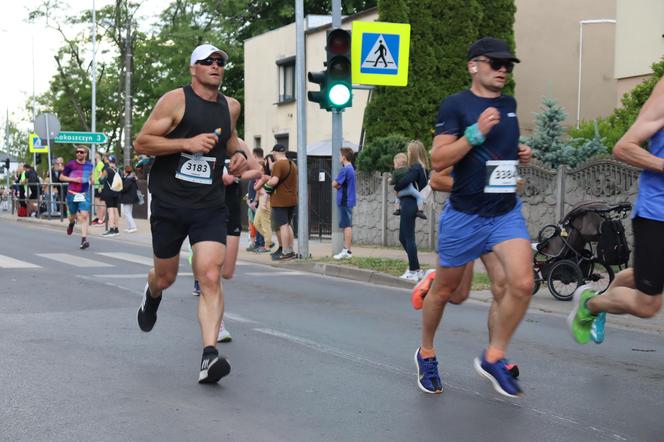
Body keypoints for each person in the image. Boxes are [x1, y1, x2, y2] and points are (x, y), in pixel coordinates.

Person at [133, 43, 257, 384]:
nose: (216, 66)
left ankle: (208, 356)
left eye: (220, 62)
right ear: (194, 68)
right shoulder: (176, 101)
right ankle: (152, 293)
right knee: (166, 277)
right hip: (170, 204)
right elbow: (142, 142)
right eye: (208, 61)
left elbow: (230, 141)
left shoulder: (230, 106)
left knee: (211, 277)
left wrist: (241, 156)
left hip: (208, 204)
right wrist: (184, 144)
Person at [417, 37, 534, 397]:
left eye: (508, 66)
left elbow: (499, 153)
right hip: (465, 216)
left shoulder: (510, 105)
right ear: (474, 66)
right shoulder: (456, 106)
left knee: (521, 284)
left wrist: (519, 153)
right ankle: (426, 352)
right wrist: (475, 132)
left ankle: (493, 356)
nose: (503, 70)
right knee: (450, 295)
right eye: (495, 64)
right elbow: (438, 161)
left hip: (503, 213)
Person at [568, 76, 664, 345]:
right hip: (657, 213)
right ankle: (593, 304)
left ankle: (608, 298)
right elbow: (624, 147)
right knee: (648, 304)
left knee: (645, 274)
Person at [394, 140, 430, 281]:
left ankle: (414, 270)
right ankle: (416, 268)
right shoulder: (423, 168)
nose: (407, 153)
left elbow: (403, 182)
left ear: (413, 152)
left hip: (409, 203)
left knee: (407, 237)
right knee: (403, 237)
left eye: (409, 151)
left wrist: (396, 187)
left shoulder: (415, 168)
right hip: (412, 203)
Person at [264, 144, 298, 261]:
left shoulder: (278, 164)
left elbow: (274, 181)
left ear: (275, 152)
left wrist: (266, 185)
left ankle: (285, 252)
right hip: (292, 199)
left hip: (280, 200)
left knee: (282, 225)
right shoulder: (292, 164)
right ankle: (291, 250)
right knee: (288, 225)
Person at [60, 145, 94, 249]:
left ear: (86, 154)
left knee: (84, 216)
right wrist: (74, 180)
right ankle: (71, 224)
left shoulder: (90, 165)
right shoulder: (71, 164)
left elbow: (91, 175)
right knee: (73, 216)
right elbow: (61, 177)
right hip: (72, 193)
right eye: (77, 152)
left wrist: (92, 179)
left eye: (81, 152)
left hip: (84, 193)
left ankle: (84, 240)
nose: (79, 153)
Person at [332, 147, 357, 260]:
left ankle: (346, 250)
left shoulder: (345, 169)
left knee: (347, 225)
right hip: (349, 200)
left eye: (340, 155)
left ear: (344, 157)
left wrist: (337, 184)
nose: (339, 157)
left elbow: (334, 184)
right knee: (347, 225)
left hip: (344, 200)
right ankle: (347, 250)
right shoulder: (351, 168)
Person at [391, 152, 426, 219]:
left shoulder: (395, 172)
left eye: (394, 163)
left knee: (397, 198)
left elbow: (393, 182)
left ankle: (397, 210)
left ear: (397, 163)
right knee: (419, 196)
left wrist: (390, 180)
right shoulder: (409, 169)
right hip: (410, 190)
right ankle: (420, 211)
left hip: (401, 192)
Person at [100, 155, 121, 237]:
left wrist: (100, 176)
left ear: (109, 161)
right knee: (116, 210)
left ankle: (111, 229)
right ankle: (116, 229)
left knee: (110, 210)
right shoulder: (119, 170)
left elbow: (101, 180)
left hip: (109, 192)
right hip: (117, 192)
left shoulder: (107, 170)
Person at [120, 165, 139, 233]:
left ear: (126, 171)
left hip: (128, 198)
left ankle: (133, 227)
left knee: (127, 213)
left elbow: (124, 188)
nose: (123, 172)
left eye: (124, 170)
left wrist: (119, 189)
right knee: (129, 213)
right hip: (130, 198)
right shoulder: (131, 178)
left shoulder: (128, 179)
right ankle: (130, 227)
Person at [91, 152, 107, 226]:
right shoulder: (98, 164)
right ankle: (98, 218)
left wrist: (100, 185)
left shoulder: (100, 164)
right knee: (97, 203)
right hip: (97, 186)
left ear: (97, 156)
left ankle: (101, 219)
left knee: (100, 204)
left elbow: (101, 174)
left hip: (99, 186)